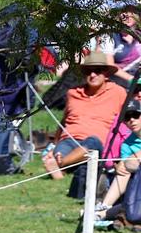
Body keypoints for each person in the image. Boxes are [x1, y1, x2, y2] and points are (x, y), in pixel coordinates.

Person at [41, 52, 127, 180]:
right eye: (88, 71)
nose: (92, 75)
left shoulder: (118, 92)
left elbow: (126, 122)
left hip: (97, 142)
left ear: (106, 73)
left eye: (97, 71)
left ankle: (61, 165)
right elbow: (64, 122)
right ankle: (62, 165)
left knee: (92, 142)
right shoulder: (72, 93)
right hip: (69, 139)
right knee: (61, 151)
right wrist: (53, 146)